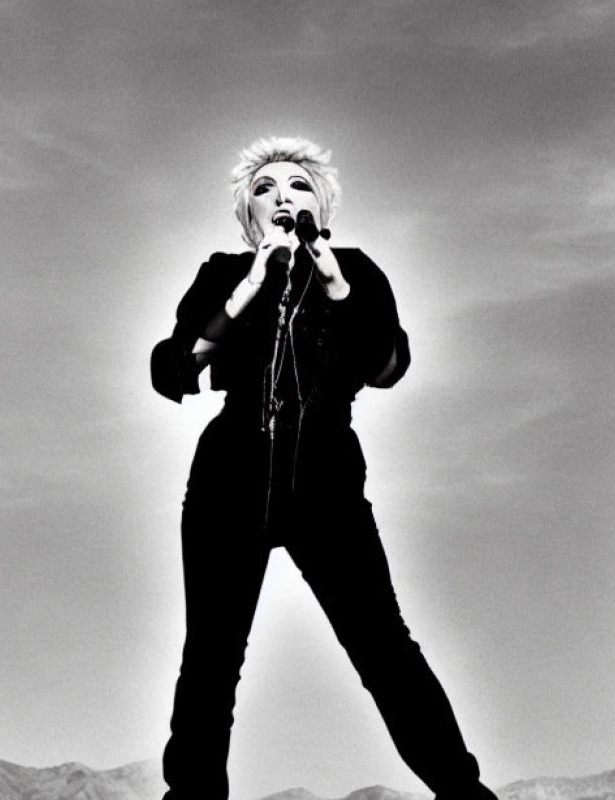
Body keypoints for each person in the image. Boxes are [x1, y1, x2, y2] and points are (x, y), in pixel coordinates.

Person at [150, 137, 499, 800]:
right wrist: (249, 286)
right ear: (248, 215)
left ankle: (463, 792)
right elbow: (176, 367)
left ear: (322, 204)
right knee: (211, 659)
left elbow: (386, 365)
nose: (282, 195)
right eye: (265, 188)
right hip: (228, 480)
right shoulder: (221, 272)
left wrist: (333, 280)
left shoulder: (358, 272)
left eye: (298, 185)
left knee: (384, 647)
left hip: (328, 484)